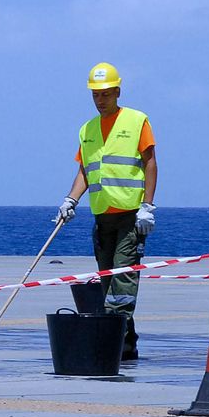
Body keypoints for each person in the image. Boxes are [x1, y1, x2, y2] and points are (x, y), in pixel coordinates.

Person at [56, 62, 157, 361]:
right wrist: (70, 200)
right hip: (102, 219)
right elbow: (85, 171)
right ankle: (126, 344)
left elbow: (150, 162)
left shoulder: (137, 121)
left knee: (122, 283)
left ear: (117, 92)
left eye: (105, 94)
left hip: (130, 217)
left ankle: (113, 345)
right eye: (95, 95)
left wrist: (148, 206)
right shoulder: (86, 130)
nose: (100, 100)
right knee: (107, 283)